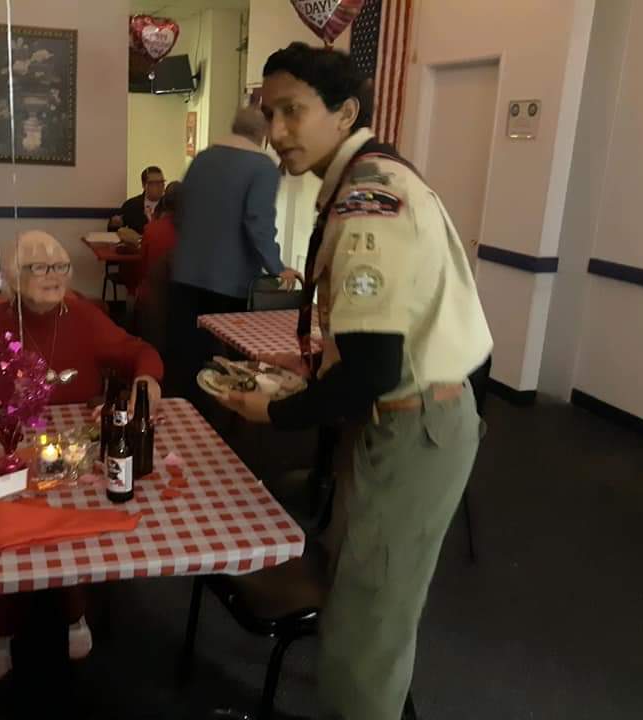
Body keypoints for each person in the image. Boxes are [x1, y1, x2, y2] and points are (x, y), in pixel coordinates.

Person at [217, 43, 493, 720]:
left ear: (344, 112)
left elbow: (375, 368)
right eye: (268, 112)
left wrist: (273, 414)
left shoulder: (370, 198)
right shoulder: (369, 175)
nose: (276, 131)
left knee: (365, 631)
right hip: (406, 414)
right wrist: (309, 371)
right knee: (360, 599)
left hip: (409, 425)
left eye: (293, 112)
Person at [0, 231, 163, 678]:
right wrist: (0, 389)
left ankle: (74, 609)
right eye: (39, 267)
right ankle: (0, 623)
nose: (53, 276)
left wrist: (147, 380)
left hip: (73, 452)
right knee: (7, 518)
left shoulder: (83, 316)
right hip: (13, 447)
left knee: (76, 513)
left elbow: (138, 351)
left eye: (60, 266)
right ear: (14, 277)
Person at [167, 107, 301, 398]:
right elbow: (258, 222)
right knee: (227, 365)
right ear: (263, 134)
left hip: (185, 272)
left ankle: (186, 414)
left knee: (186, 359)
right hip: (230, 281)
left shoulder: (202, 159)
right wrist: (277, 267)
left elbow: (180, 212)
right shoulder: (262, 167)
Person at [134, 181, 181, 355]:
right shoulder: (195, 231)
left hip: (154, 302)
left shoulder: (152, 229)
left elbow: (142, 268)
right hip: (184, 301)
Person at [108, 165, 166, 236]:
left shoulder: (170, 205)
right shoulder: (131, 205)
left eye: (162, 182)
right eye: (155, 183)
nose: (161, 186)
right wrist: (114, 225)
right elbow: (114, 232)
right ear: (144, 185)